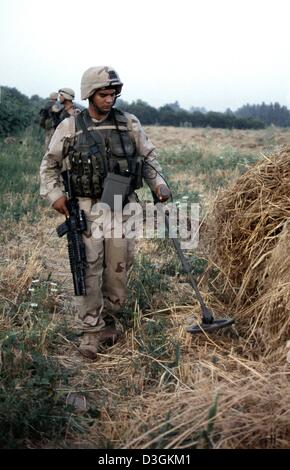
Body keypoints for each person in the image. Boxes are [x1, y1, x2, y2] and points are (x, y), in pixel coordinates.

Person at [40, 66, 170, 359]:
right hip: (87, 209)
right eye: (103, 94)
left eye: (112, 94)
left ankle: (109, 320)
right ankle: (90, 332)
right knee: (88, 268)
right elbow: (49, 165)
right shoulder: (70, 127)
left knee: (119, 267)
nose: (109, 99)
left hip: (123, 208)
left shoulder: (128, 123)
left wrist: (159, 185)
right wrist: (56, 195)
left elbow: (148, 158)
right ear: (89, 95)